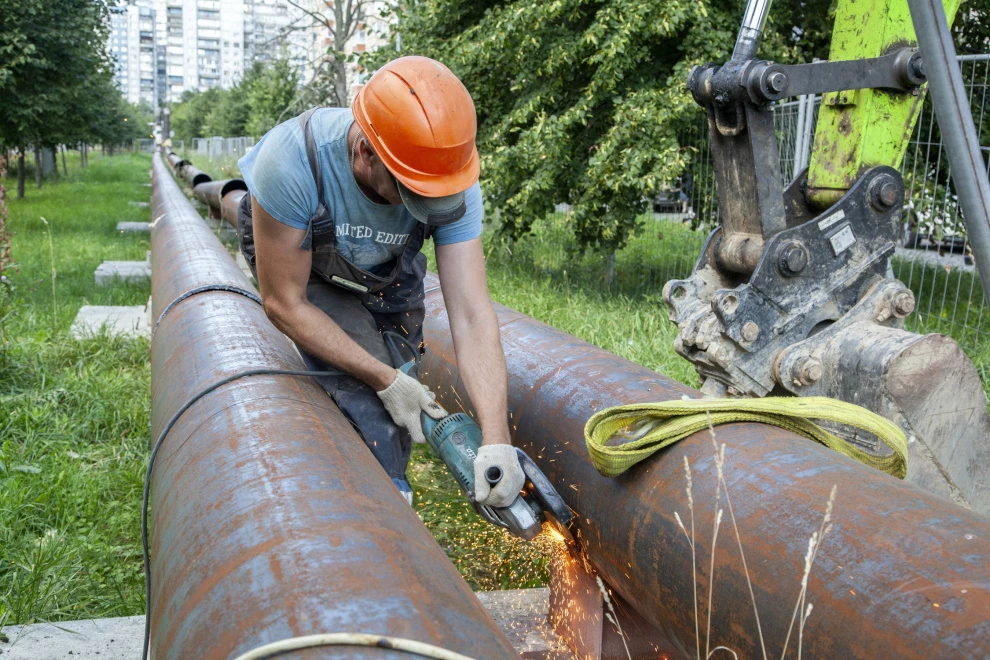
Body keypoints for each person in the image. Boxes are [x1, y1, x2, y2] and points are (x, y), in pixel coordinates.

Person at [236, 56, 523, 508]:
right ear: (365, 152)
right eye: (414, 196)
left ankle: (387, 486)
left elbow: (470, 314)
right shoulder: (291, 162)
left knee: (401, 368)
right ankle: (373, 514)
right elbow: (283, 302)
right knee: (369, 390)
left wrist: (496, 437)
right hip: (301, 262)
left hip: (383, 269)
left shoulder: (446, 174)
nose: (429, 207)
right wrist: (382, 379)